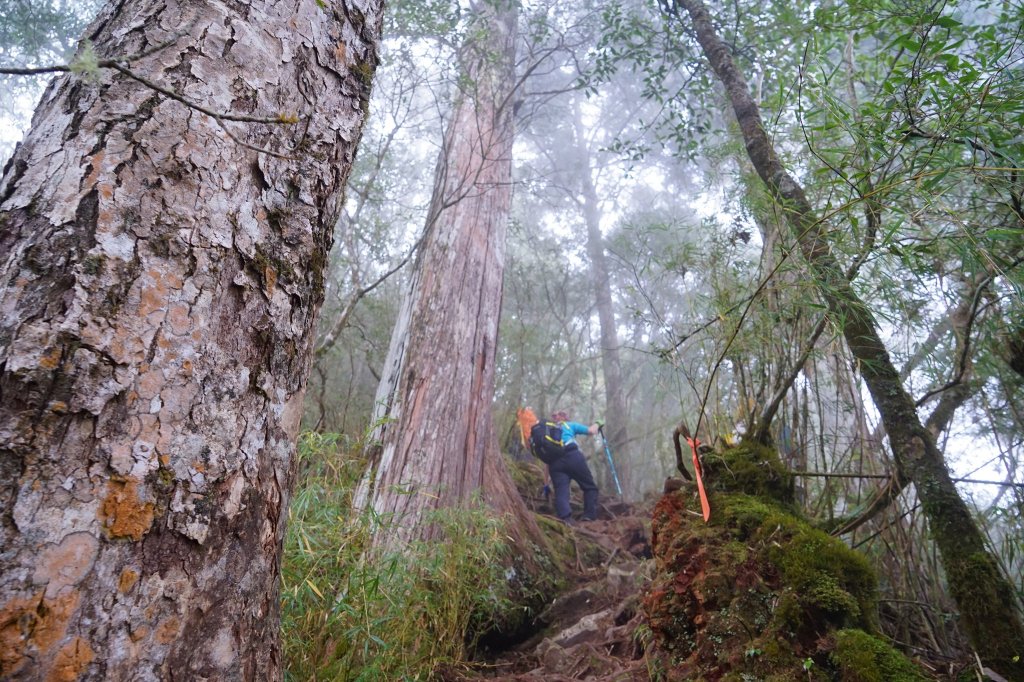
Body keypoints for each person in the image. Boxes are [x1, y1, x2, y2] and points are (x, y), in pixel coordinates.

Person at [544, 410, 601, 524]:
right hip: (573, 456)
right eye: (564, 414)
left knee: (561, 491)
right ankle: (589, 516)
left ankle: (566, 519)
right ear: (564, 417)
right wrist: (599, 423)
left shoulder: (548, 433)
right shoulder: (570, 425)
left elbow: (546, 461)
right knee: (589, 487)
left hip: (555, 463)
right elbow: (591, 430)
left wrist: (546, 483)